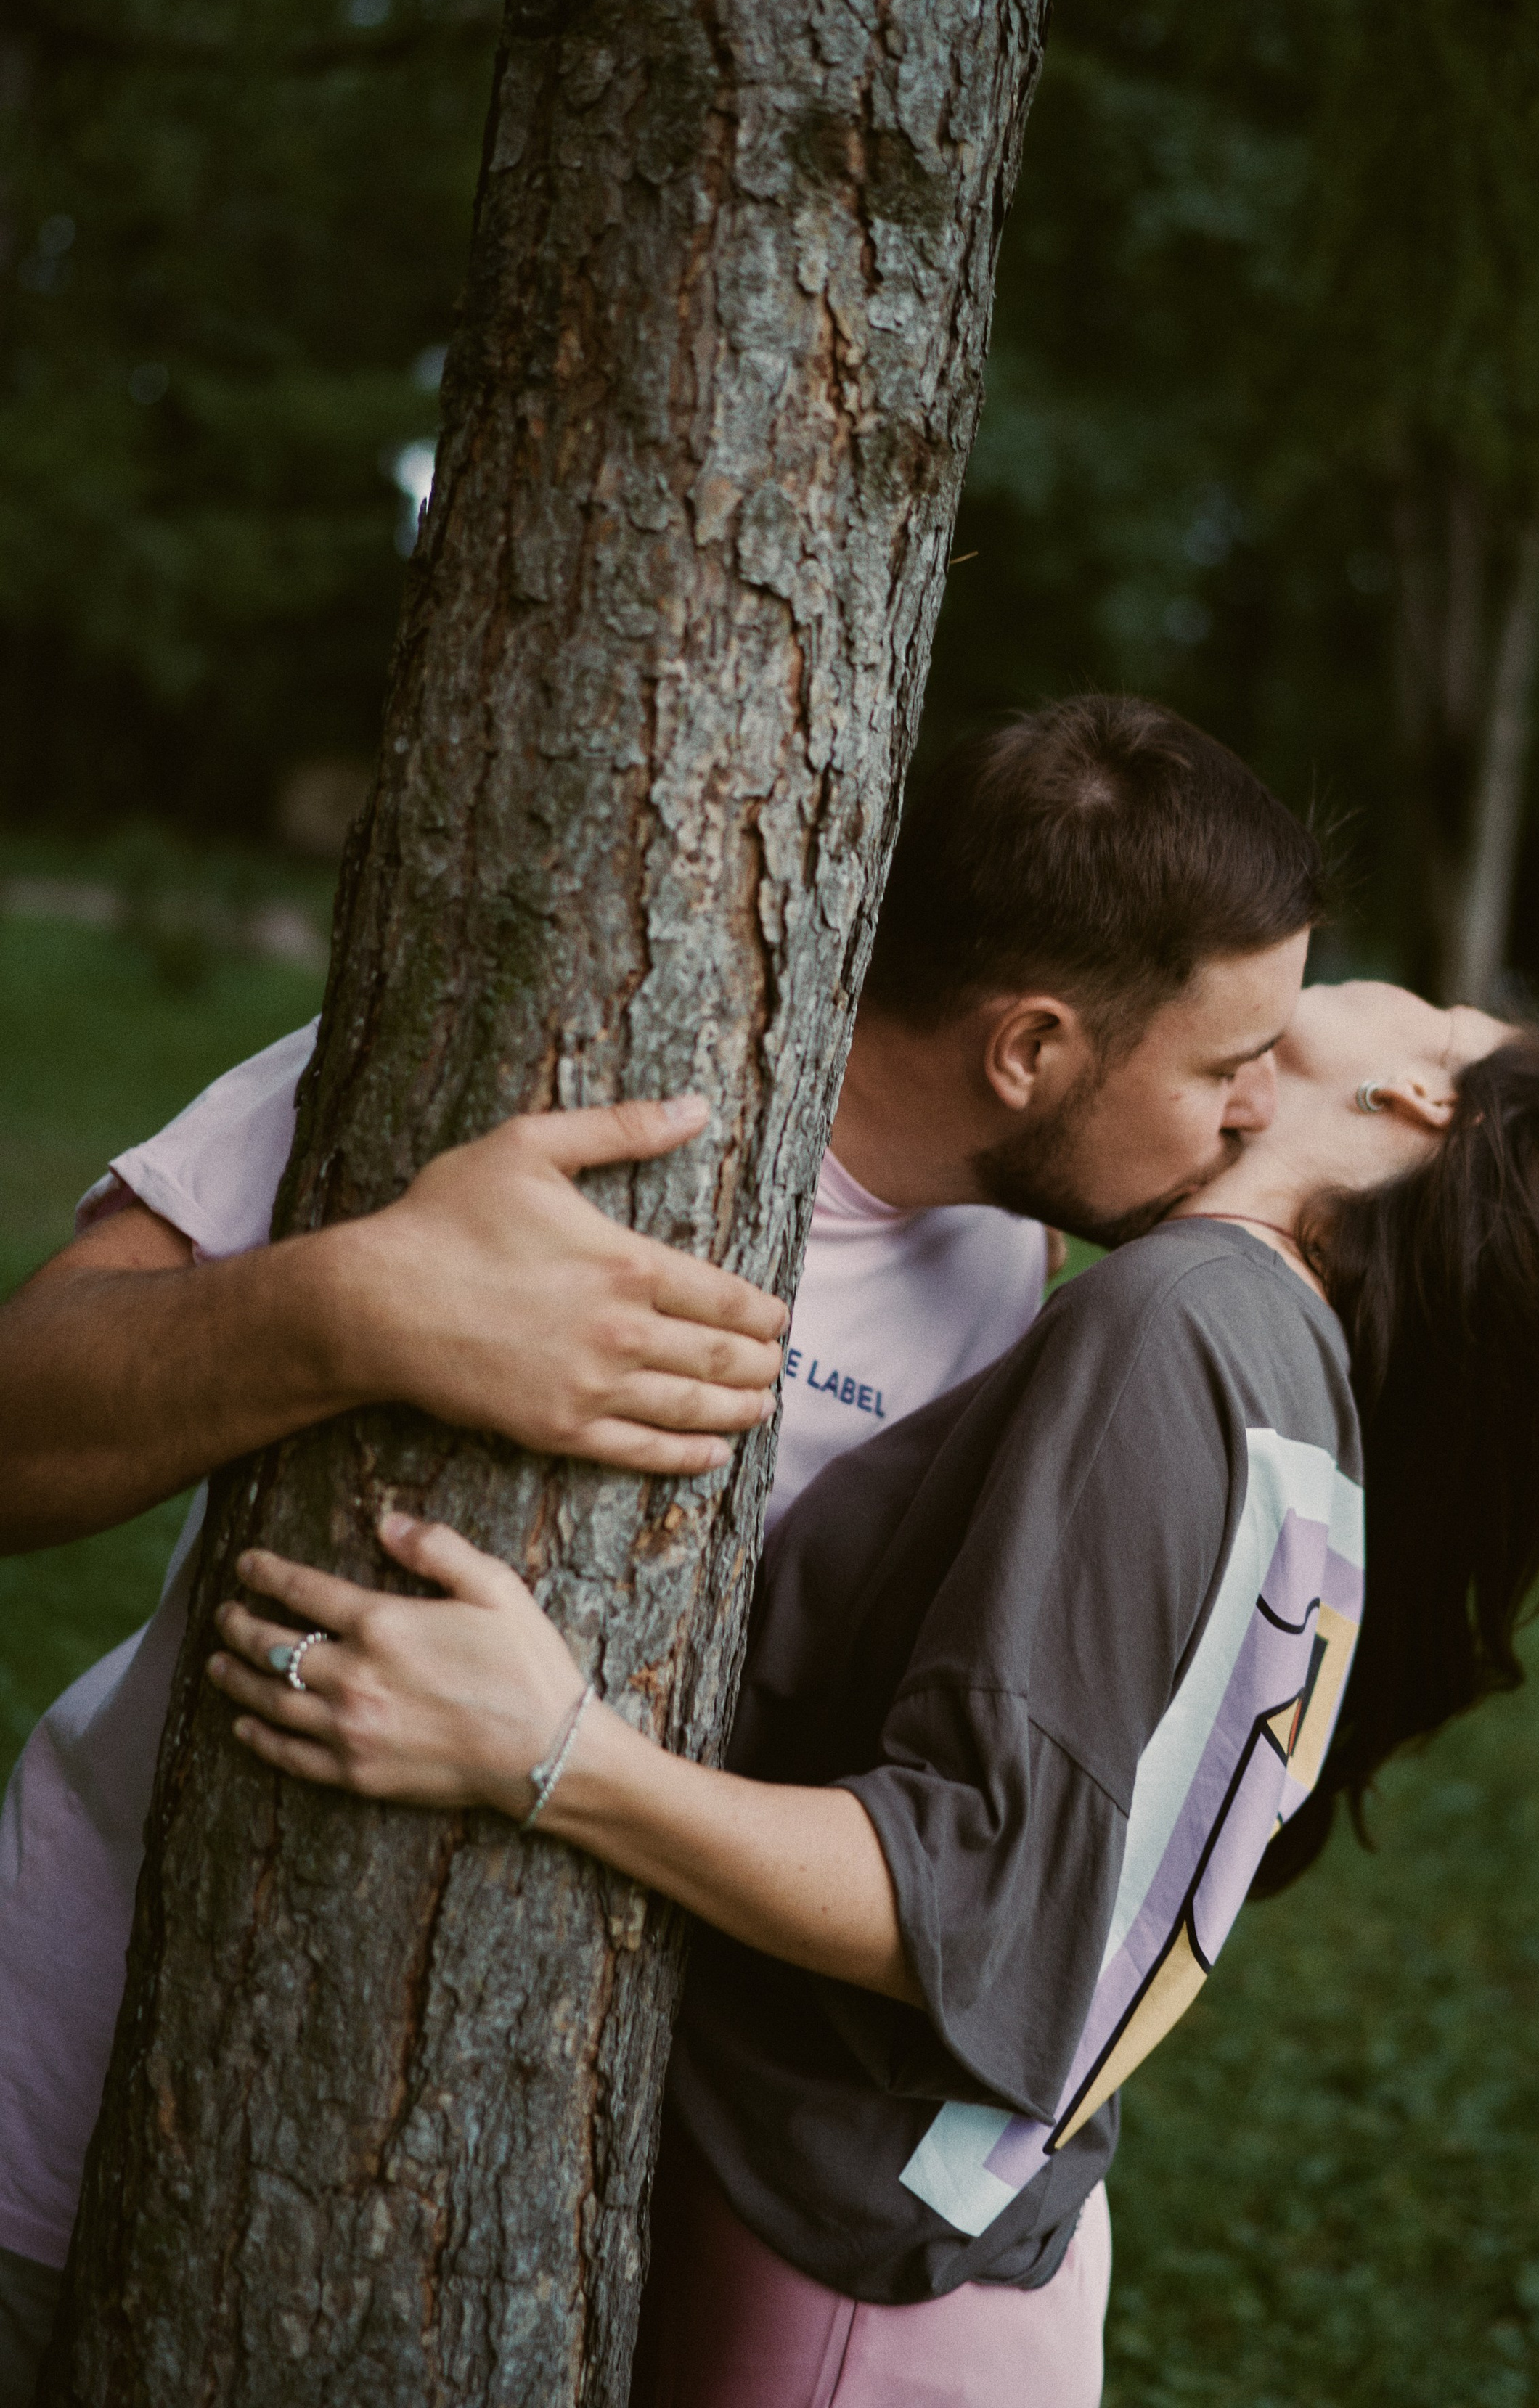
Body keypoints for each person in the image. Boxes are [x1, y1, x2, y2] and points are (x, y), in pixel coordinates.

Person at [0, 697, 1323, 2375]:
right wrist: (355, 1307)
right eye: (1224, 1064)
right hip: (63, 2086)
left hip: (501, 2219)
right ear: (1029, 1049)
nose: (1257, 1113)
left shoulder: (1013, 1290)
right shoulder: (528, 1070)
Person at [198, 983, 1539, 2407]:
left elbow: (984, 1917)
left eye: (1440, 1003)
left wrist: (554, 1756)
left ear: (1419, 1091)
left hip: (848, 2294)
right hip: (941, 2257)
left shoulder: (1185, 1320)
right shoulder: (1284, 1377)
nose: (1391, 980)